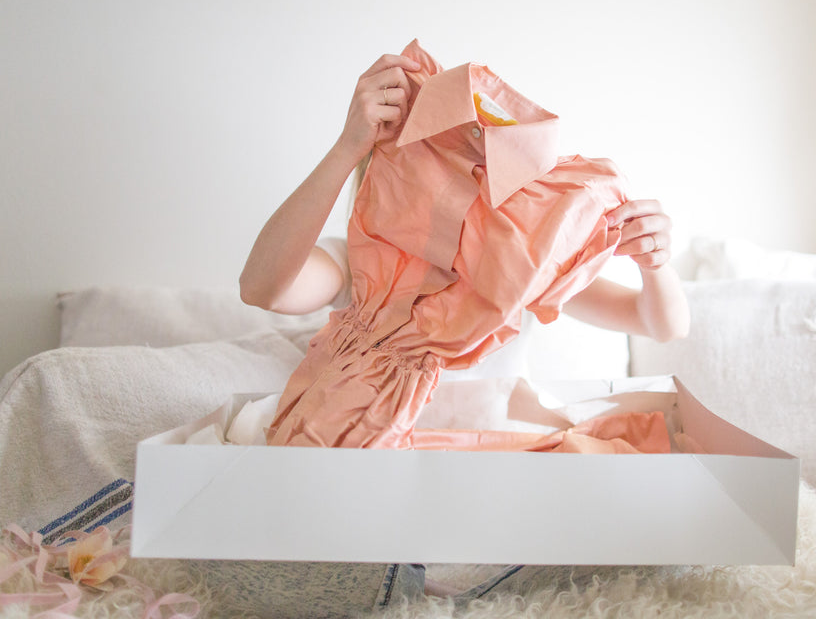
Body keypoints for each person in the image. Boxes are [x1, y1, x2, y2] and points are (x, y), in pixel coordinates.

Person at [235, 49, 690, 609]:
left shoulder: (515, 270)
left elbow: (661, 324)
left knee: (623, 491)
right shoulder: (360, 268)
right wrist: (346, 146)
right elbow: (263, 287)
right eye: (426, 174)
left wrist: (656, 262)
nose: (450, 198)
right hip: (382, 475)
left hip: (494, 477)